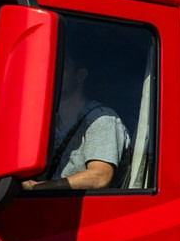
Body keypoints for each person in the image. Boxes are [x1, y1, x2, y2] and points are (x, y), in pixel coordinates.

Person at [52, 58, 131, 190]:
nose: (53, 71)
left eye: (63, 66)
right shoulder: (47, 123)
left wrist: (38, 188)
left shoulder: (101, 119)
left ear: (80, 75)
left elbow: (99, 177)